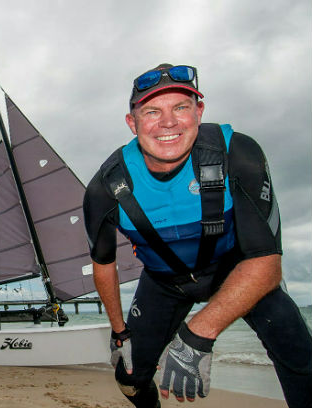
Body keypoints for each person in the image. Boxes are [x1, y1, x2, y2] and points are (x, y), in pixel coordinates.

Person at [83, 63, 312, 408]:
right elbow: (103, 264)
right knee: (129, 381)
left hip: (236, 271)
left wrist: (197, 333)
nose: (168, 123)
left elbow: (267, 263)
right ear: (132, 123)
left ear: (199, 111)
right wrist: (119, 332)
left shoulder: (238, 155)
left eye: (181, 107)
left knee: (299, 353)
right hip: (164, 282)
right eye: (152, 112)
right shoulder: (105, 188)